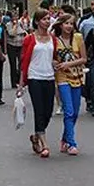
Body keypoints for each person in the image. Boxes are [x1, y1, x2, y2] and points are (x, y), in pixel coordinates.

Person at [17, 10, 57, 158]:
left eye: (48, 19)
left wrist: (55, 63)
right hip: (35, 77)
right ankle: (44, 144)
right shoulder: (30, 39)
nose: (47, 21)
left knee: (48, 111)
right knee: (39, 110)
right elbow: (24, 62)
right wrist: (21, 84)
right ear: (38, 21)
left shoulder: (52, 38)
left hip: (49, 77)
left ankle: (36, 136)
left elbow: (54, 57)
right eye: (44, 19)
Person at [53, 14, 87, 155]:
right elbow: (52, 58)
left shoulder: (78, 38)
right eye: (66, 23)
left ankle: (64, 138)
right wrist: (54, 63)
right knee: (69, 110)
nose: (69, 26)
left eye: (71, 23)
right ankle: (72, 143)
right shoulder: (55, 40)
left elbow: (84, 58)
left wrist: (69, 63)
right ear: (61, 25)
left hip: (77, 77)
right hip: (62, 78)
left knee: (75, 112)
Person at [5, 13, 27, 89]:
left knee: (21, 64)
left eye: (16, 16)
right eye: (14, 16)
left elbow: (25, 31)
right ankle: (13, 82)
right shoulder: (8, 25)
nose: (15, 18)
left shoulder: (20, 23)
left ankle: (20, 81)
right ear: (10, 18)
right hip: (11, 46)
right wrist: (15, 26)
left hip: (20, 46)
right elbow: (12, 33)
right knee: (13, 64)